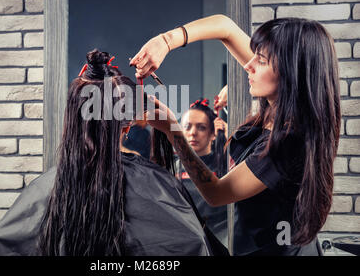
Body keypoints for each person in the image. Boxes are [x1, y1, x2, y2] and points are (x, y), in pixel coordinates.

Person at [130, 15, 340, 256]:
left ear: (291, 73)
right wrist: (165, 41)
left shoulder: (290, 143)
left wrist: (173, 131)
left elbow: (217, 193)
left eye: (260, 61)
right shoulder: (277, 105)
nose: (249, 65)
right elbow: (225, 27)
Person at [0, 49, 228, 256]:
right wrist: (172, 129)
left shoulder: (43, 188)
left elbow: (1, 246)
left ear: (72, 118)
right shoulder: (156, 184)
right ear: (127, 124)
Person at [177, 98, 228, 243]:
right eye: (187, 126)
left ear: (213, 134)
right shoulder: (171, 168)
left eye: (201, 127)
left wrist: (230, 133)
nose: (193, 133)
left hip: (220, 241)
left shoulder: (226, 166)